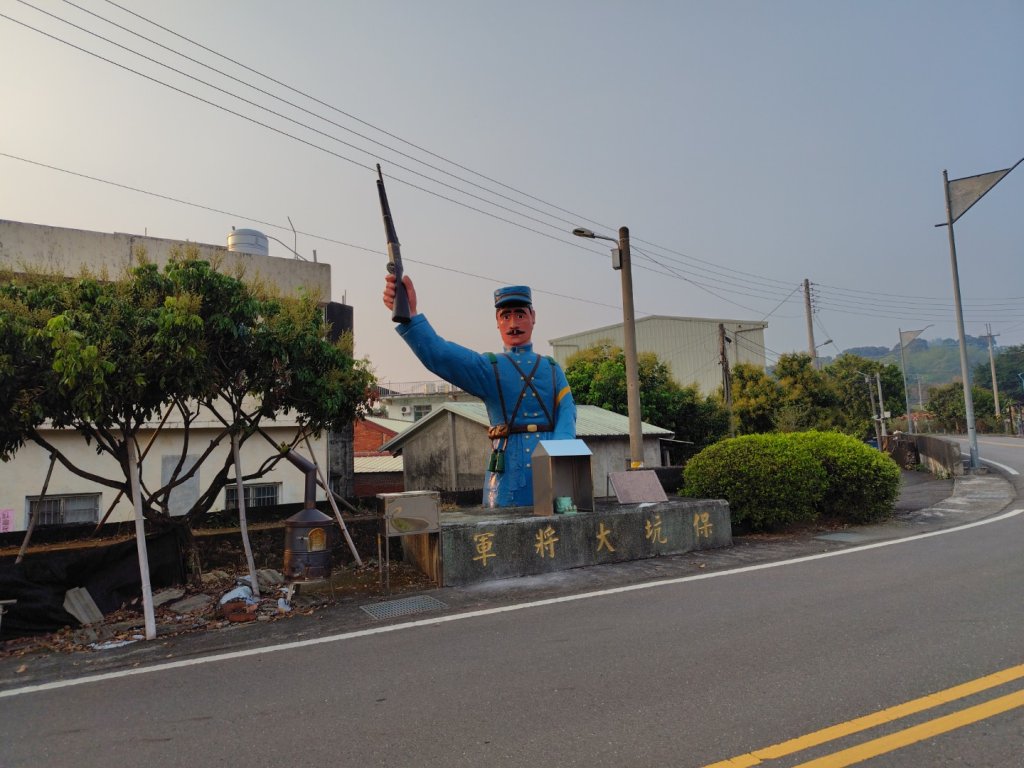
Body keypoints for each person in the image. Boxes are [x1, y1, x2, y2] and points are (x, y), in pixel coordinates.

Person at [383, 274, 576, 508]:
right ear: (497, 322)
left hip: (551, 471)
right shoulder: (489, 367)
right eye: (506, 316)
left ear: (533, 317)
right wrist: (410, 317)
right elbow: (441, 355)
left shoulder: (553, 369)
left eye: (520, 314)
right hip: (508, 470)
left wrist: (555, 458)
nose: (513, 324)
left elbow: (567, 414)